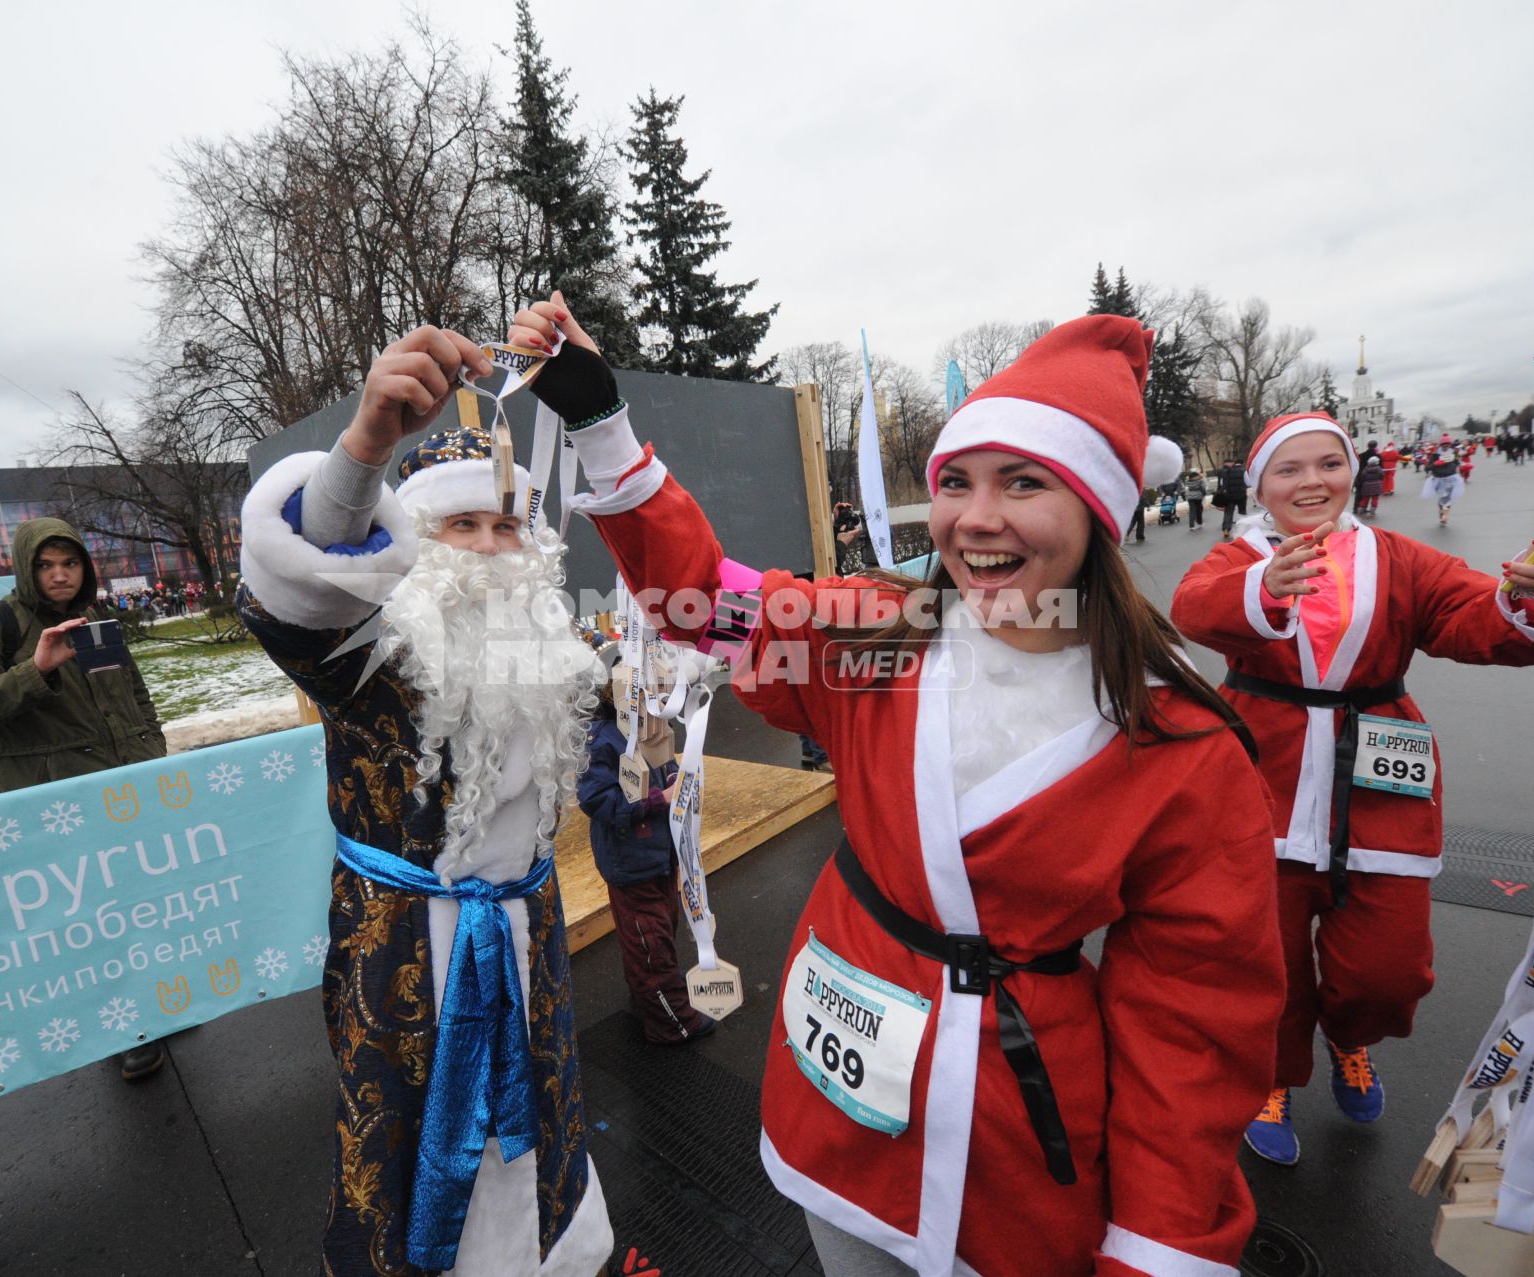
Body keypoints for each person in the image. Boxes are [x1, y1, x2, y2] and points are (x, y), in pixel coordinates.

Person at [512, 296, 1285, 1276]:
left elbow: (1195, 1029)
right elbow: (701, 594)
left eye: (1023, 481)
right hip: (835, 1126)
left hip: (1012, 1153)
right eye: (955, 480)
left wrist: (1155, 1249)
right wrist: (600, 422)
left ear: (1098, 507)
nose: (977, 515)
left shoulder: (1183, 746)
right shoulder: (871, 637)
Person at [235, 327, 613, 1274]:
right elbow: (305, 586)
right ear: (419, 540)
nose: (490, 550)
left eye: (506, 525)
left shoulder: (539, 641)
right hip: (409, 956)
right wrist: (363, 447)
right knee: (411, 1154)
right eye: (461, 526)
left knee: (544, 1120)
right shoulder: (375, 646)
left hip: (526, 932)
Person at [1170, 412, 1534, 1168]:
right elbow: (1195, 605)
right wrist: (1261, 586)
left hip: (1383, 778)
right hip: (1265, 781)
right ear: (1259, 483)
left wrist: (1531, 596)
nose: (1313, 481)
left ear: (1352, 471)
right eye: (1290, 468)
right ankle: (1273, 1075)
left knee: (1389, 971)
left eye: (1329, 463)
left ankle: (1349, 1036)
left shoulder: (1397, 556)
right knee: (1270, 960)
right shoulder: (1237, 555)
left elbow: (1470, 618)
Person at [0, 518, 170, 1082]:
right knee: (84, 924)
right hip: (51, 806)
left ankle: (154, 1009)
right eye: (46, 565)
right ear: (26, 569)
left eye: (70, 564)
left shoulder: (93, 621)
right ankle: (123, 1031)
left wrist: (152, 751)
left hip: (122, 792)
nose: (60, 575)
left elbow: (131, 693)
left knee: (135, 910)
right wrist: (34, 670)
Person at [577, 677, 717, 1045]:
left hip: (660, 855)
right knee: (650, 944)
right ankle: (672, 1022)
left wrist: (679, 781)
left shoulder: (648, 725)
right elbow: (598, 802)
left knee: (656, 935)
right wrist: (661, 799)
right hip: (631, 861)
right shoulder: (602, 739)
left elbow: (663, 770)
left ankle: (648, 1000)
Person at [1421, 434, 1464, 525]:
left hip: (1451, 479)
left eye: (1448, 444)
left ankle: (1445, 515)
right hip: (1438, 479)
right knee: (1441, 498)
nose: (1446, 446)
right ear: (1441, 445)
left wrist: (1459, 465)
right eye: (1444, 444)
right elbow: (1427, 468)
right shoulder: (1435, 455)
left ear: (1450, 444)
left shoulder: (1453, 453)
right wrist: (1435, 464)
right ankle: (1442, 511)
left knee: (1447, 497)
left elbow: (1457, 463)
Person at [1215, 458, 1248, 538]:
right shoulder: (1244, 471)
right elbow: (1248, 482)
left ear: (1234, 463)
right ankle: (1242, 530)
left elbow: (1222, 483)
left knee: (1228, 513)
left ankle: (1226, 529)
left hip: (1229, 496)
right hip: (1241, 495)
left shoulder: (1227, 471)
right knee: (1242, 512)